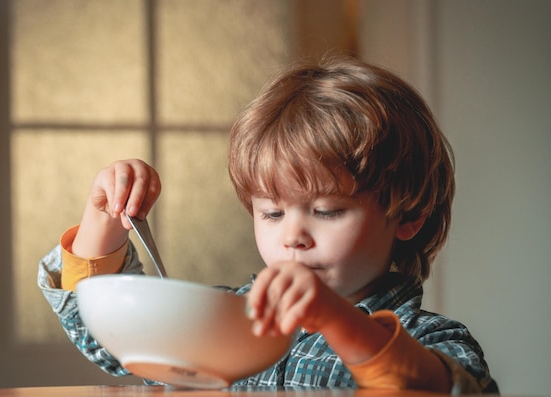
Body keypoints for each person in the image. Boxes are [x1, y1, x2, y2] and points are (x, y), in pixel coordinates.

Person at [38, 56, 498, 393]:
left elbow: (444, 390)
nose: (292, 235)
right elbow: (112, 337)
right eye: (273, 213)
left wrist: (336, 319)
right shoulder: (227, 321)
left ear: (408, 215)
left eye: (326, 211)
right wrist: (103, 217)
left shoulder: (432, 340)